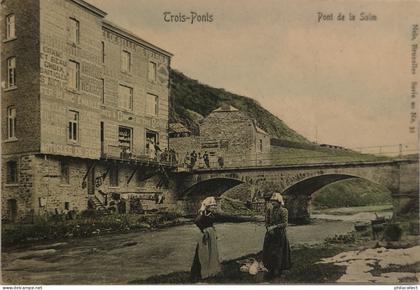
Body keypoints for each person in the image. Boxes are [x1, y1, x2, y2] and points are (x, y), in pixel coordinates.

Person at [190, 196, 221, 282]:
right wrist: (203, 230)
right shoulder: (203, 213)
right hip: (205, 235)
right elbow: (197, 221)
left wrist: (214, 232)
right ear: (207, 206)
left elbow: (211, 224)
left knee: (211, 252)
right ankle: (198, 273)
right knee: (202, 253)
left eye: (215, 206)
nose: (214, 207)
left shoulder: (211, 214)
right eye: (212, 206)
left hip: (211, 235)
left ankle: (210, 271)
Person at [262, 192, 291, 279]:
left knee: (279, 253)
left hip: (279, 235)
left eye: (274, 201)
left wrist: (274, 227)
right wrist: (268, 228)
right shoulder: (269, 210)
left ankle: (278, 270)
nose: (272, 203)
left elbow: (285, 223)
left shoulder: (284, 211)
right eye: (272, 201)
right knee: (269, 252)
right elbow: (266, 221)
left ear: (279, 201)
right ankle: (270, 269)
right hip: (270, 234)